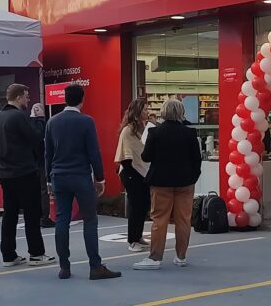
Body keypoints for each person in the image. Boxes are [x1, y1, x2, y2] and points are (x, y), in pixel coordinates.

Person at [44, 84, 120, 281]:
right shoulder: (86, 121)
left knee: (62, 219)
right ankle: (95, 266)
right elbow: (94, 152)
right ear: (82, 100)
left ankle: (64, 266)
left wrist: (48, 179)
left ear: (64, 99)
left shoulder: (52, 122)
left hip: (59, 176)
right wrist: (101, 178)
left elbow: (48, 154)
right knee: (90, 220)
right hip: (81, 176)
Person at [0, 84, 55, 268]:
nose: (28, 100)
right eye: (26, 97)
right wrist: (40, 120)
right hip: (24, 172)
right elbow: (36, 139)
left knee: (9, 214)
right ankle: (36, 253)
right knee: (32, 214)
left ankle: (8, 255)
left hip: (5, 173)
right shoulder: (18, 116)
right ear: (18, 98)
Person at [134, 99, 202, 270]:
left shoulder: (155, 133)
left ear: (164, 112)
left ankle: (155, 258)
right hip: (185, 182)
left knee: (159, 220)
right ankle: (181, 256)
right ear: (180, 112)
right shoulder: (190, 133)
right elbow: (197, 160)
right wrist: (193, 177)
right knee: (183, 220)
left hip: (160, 182)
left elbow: (146, 157)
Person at [115, 98, 150, 252]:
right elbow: (127, 155)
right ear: (137, 112)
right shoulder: (128, 130)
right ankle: (132, 240)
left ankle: (139, 236)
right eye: (144, 109)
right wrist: (134, 173)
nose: (147, 112)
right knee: (136, 206)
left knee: (143, 205)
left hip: (143, 172)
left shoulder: (144, 128)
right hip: (130, 171)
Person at [29, 103, 54, 228]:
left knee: (34, 191)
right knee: (44, 190)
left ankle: (36, 216)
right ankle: (45, 218)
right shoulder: (45, 124)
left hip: (30, 164)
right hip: (42, 162)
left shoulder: (27, 124)